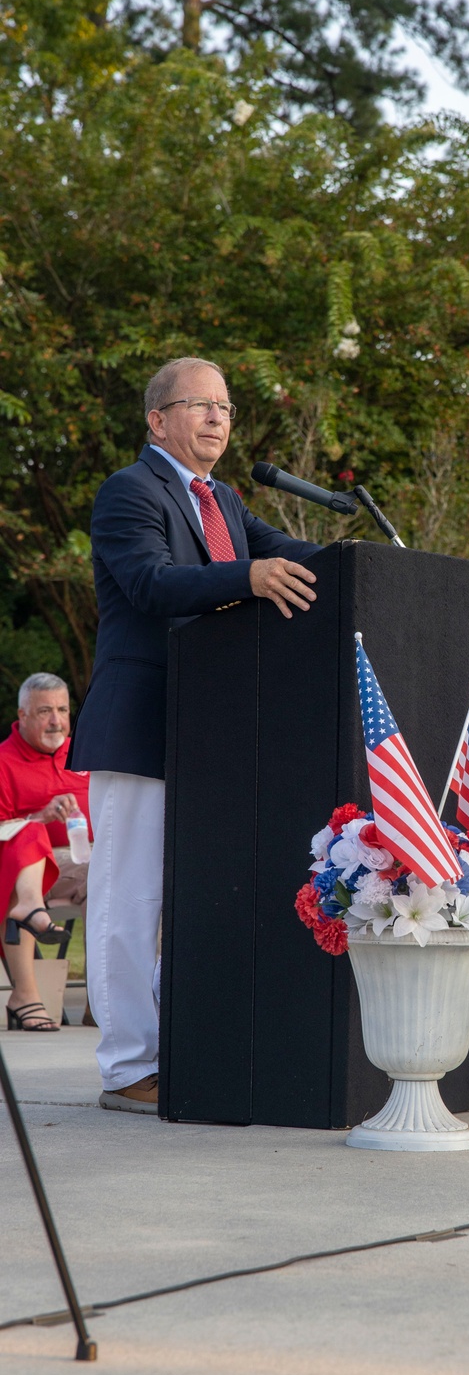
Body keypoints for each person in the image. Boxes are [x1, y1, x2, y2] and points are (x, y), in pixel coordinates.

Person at [69, 356, 320, 1114]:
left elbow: (291, 556)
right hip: (141, 725)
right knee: (128, 901)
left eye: (226, 407)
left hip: (210, 729)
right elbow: (149, 582)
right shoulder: (130, 491)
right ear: (157, 420)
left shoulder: (224, 498)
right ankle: (126, 1068)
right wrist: (247, 577)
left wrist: (371, 570)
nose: (217, 418)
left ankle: (185, 1046)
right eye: (199, 404)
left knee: (198, 897)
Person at [0, 673, 91, 1032]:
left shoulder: (85, 752)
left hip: (84, 863)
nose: (56, 720)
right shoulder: (4, 761)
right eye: (44, 711)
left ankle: (103, 1003)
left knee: (124, 883)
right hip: (23, 870)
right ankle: (26, 995)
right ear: (21, 715)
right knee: (30, 831)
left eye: (62, 710)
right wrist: (40, 816)